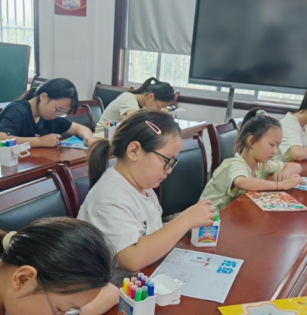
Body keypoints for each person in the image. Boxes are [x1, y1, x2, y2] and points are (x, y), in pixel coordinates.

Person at [78, 110, 215, 283]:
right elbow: (132, 259)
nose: (169, 170)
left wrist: (184, 225)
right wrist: (184, 221)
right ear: (134, 151)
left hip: (145, 278)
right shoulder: (111, 197)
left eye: (172, 162)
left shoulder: (143, 186)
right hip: (112, 291)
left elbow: (150, 232)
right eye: (166, 161)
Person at [201, 109, 303, 212]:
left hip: (231, 214)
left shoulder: (261, 165)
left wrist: (283, 174)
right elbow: (242, 182)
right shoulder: (235, 164)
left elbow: (296, 166)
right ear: (251, 141)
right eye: (272, 145)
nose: (275, 151)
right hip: (207, 218)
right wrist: (280, 185)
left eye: (277, 146)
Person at [0, 78, 95, 151]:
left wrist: (88, 137)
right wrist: (40, 141)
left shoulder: (49, 116)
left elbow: (79, 128)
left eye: (62, 113)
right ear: (43, 97)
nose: (57, 115)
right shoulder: (18, 111)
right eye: (57, 109)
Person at [94, 78, 176, 137]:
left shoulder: (142, 105)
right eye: (160, 107)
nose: (159, 110)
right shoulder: (129, 99)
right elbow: (134, 121)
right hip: (103, 136)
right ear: (150, 96)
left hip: (116, 136)